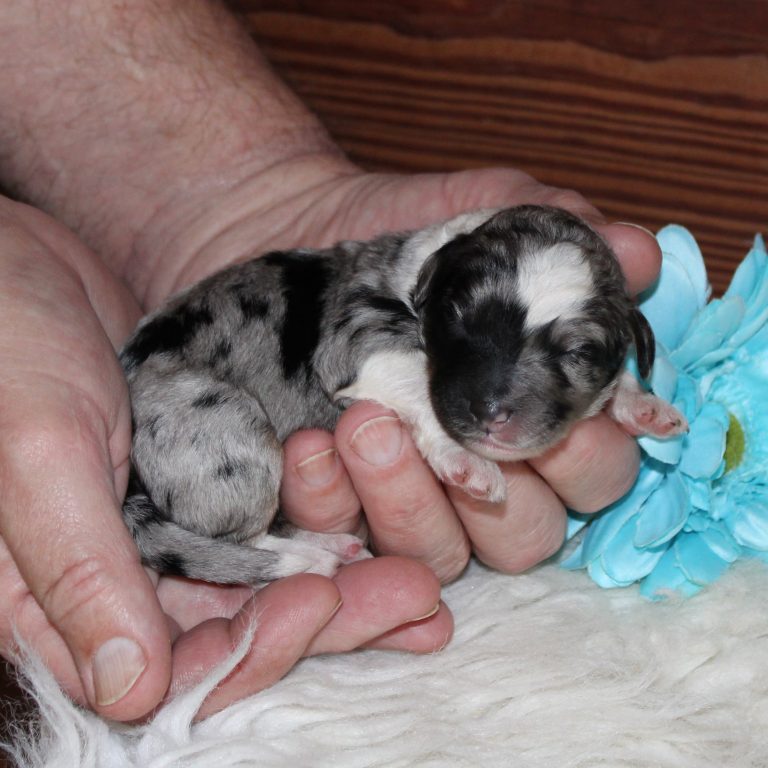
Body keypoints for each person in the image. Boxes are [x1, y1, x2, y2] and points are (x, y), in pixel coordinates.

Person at [0, 0, 661, 721]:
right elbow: (361, 363)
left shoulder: (470, 283)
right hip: (185, 415)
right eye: (469, 324)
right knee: (240, 487)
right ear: (431, 287)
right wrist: (438, 437)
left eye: (578, 351)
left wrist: (617, 394)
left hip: (213, 391)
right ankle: (252, 546)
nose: (499, 403)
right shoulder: (392, 296)